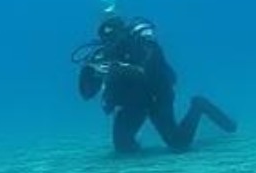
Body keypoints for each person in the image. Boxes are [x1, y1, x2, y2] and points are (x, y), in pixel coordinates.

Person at [73, 8, 236, 153]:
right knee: (123, 148)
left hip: (156, 96)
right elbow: (87, 94)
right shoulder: (102, 58)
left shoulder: (143, 44)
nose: (112, 38)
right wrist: (89, 72)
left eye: (115, 31)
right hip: (131, 104)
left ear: (124, 30)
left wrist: (121, 68)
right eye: (106, 34)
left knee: (178, 144)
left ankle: (199, 105)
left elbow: (147, 68)